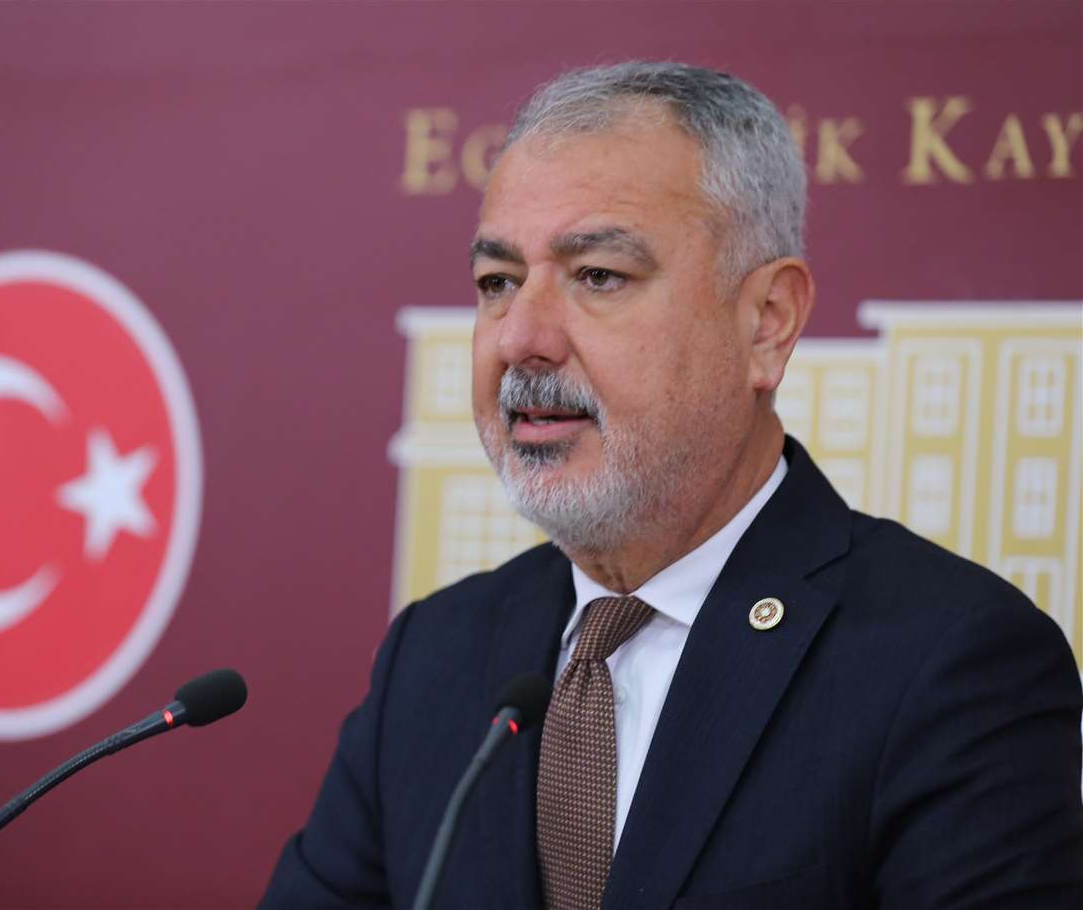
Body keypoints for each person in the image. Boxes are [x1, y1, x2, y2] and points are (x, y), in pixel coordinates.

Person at [260, 61, 1083, 909]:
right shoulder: (433, 657)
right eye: (498, 282)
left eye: (598, 276)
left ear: (767, 322)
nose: (521, 338)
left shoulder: (949, 661)